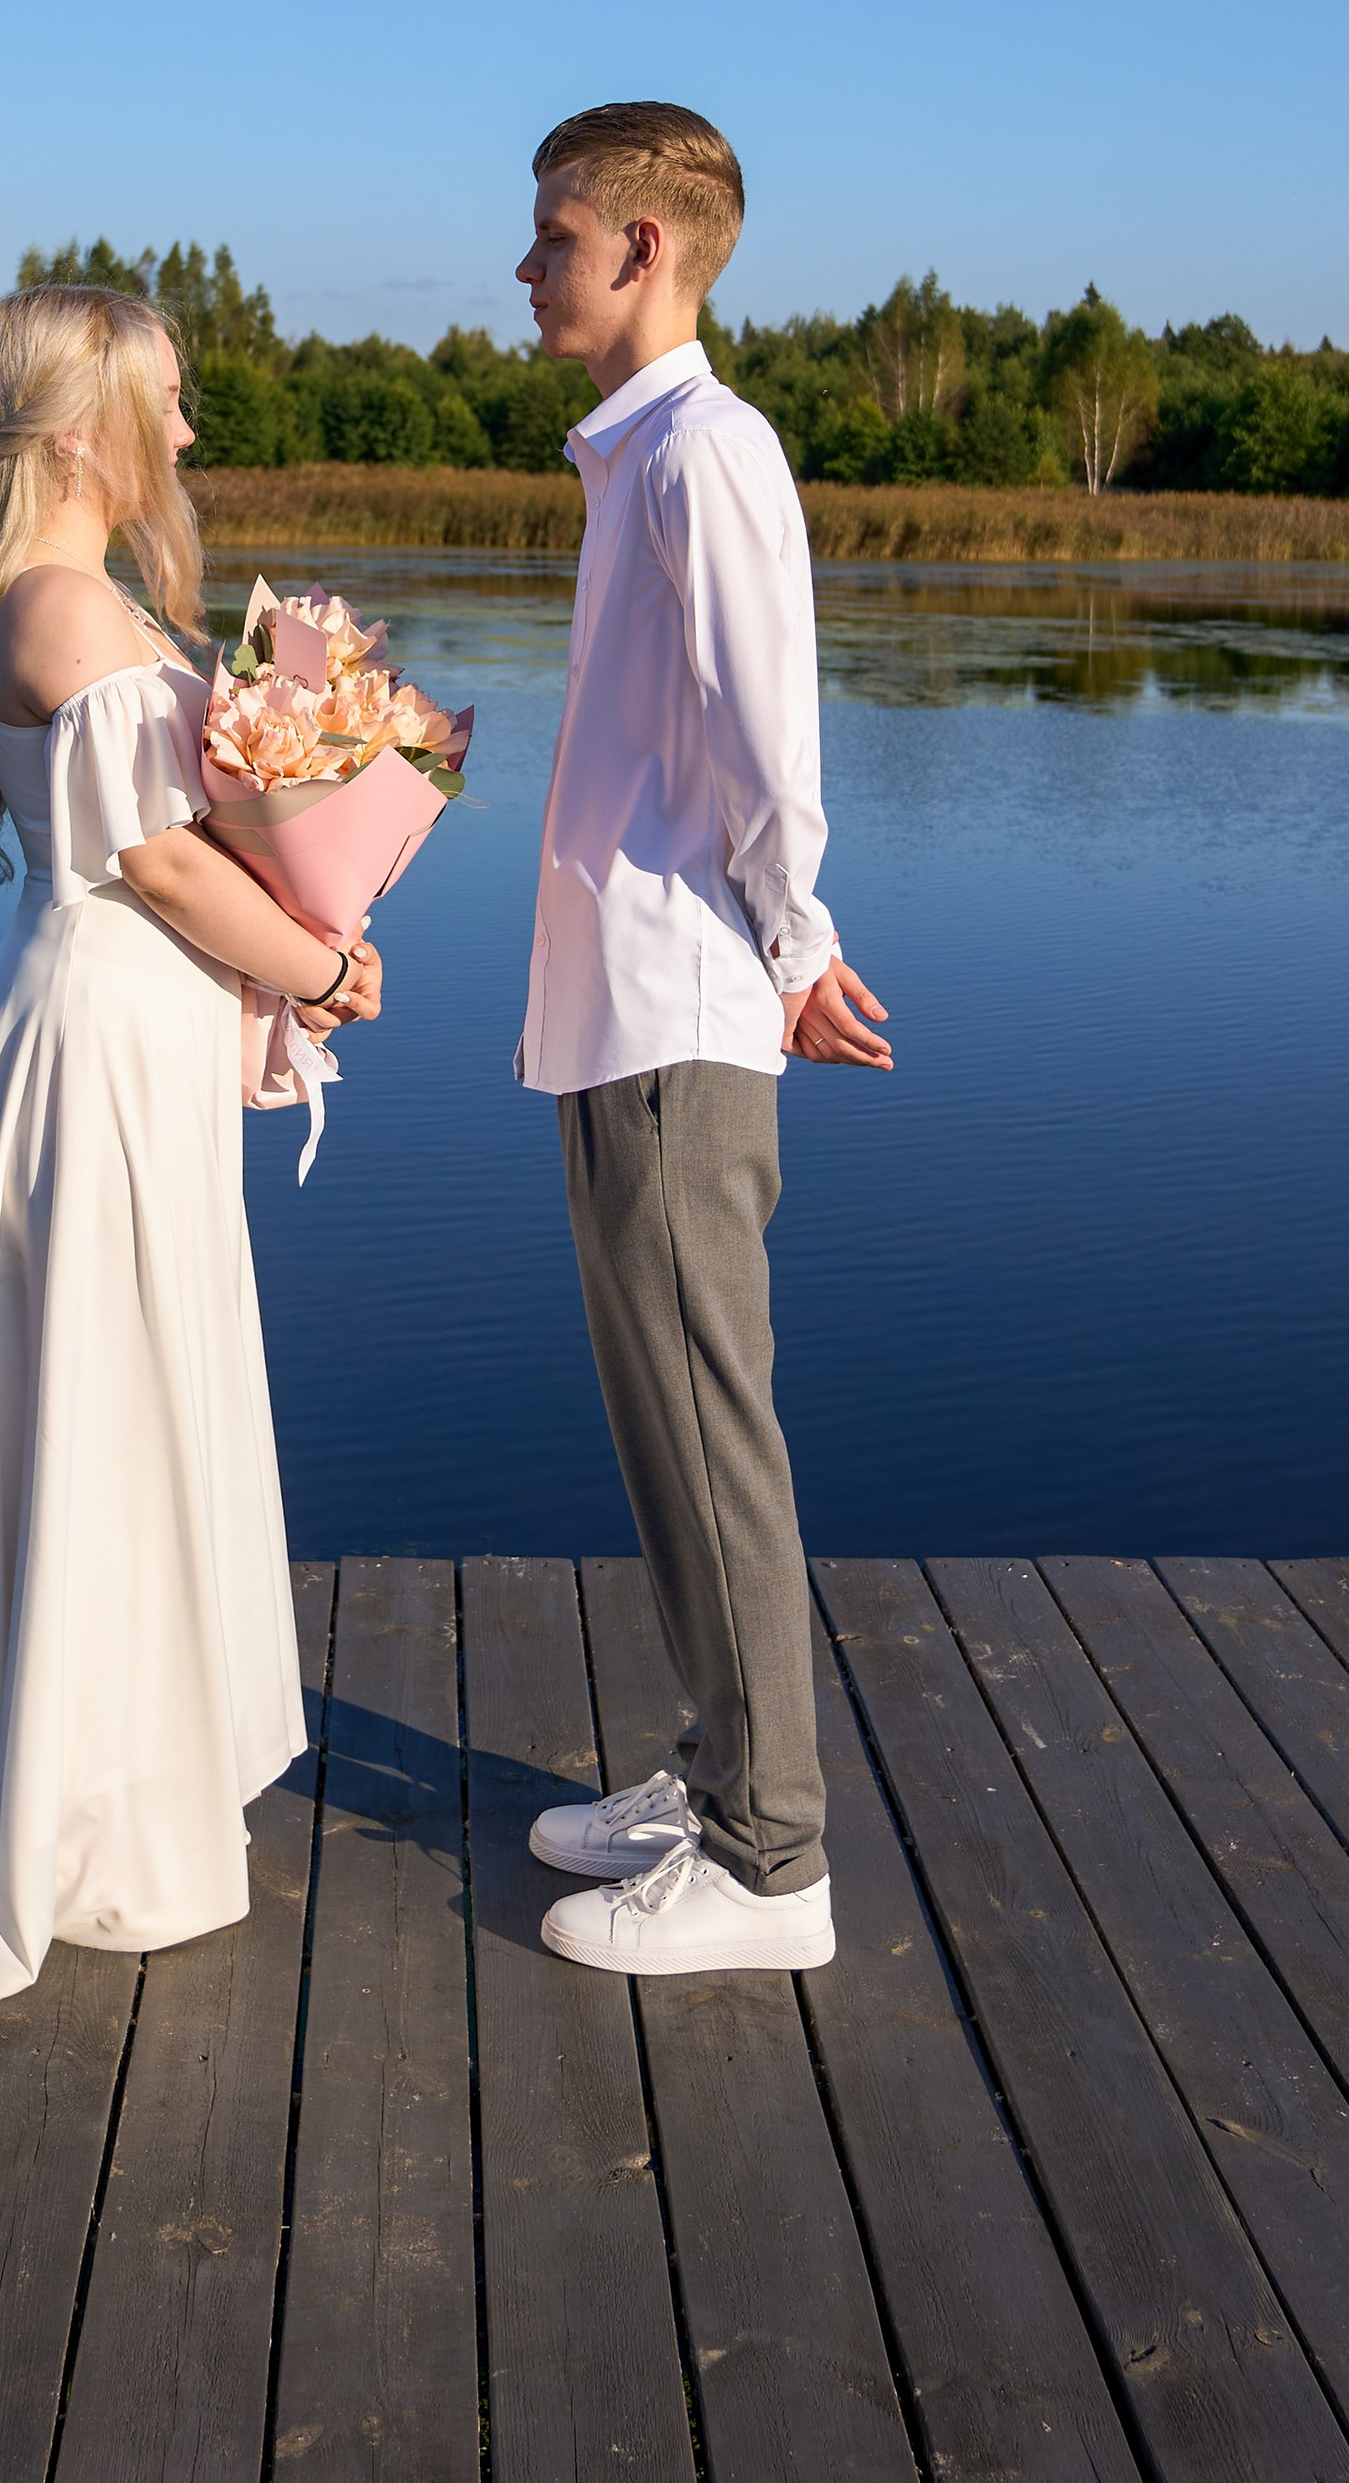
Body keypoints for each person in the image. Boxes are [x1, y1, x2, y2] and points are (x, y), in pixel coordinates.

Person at [0, 282, 381, 1998]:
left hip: (129, 1033)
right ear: (83, 424)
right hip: (94, 1040)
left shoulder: (89, 604)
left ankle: (108, 1768)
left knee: (126, 1391)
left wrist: (299, 927)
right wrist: (322, 966)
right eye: (165, 399)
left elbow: (194, 841)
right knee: (100, 1403)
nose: (187, 430)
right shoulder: (56, 605)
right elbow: (164, 863)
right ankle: (91, 1822)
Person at [510, 102, 892, 1977]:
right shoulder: (638, 458)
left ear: (644, 248)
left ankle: (769, 1860)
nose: (529, 267)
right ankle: (721, 1770)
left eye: (555, 235)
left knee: (711, 1425)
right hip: (620, 1015)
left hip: (679, 1019)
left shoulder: (706, 453)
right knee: (663, 1428)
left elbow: (765, 734)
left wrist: (798, 946)